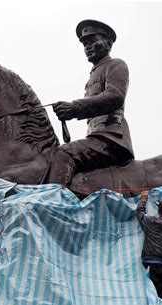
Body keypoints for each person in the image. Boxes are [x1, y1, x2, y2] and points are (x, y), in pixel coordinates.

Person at [49, 19, 134, 186]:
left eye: (93, 41)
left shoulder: (115, 64)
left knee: (64, 154)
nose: (88, 47)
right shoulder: (92, 75)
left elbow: (115, 96)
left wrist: (74, 108)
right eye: (85, 44)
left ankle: (51, 204)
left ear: (108, 43)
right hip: (97, 137)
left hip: (112, 139)